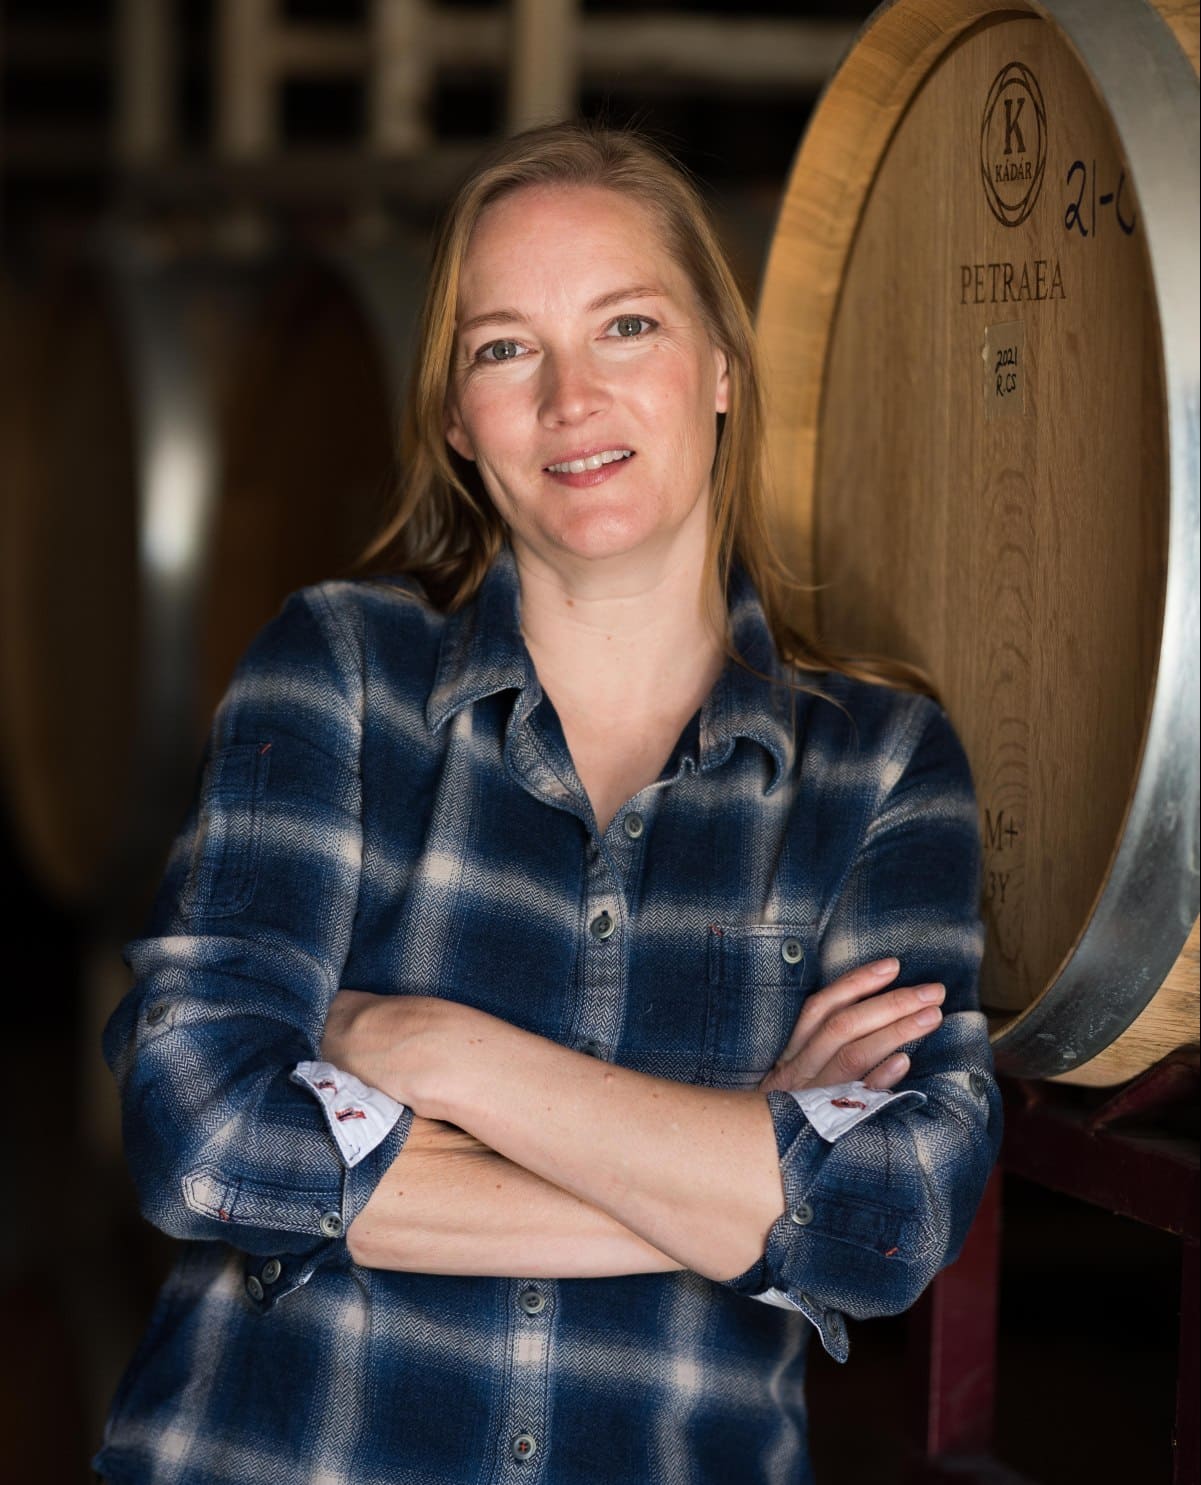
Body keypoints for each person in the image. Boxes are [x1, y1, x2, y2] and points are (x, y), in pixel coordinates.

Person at [94, 121, 1000, 1485]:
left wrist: (440, 1051)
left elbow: (889, 1218)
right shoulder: (339, 672)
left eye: (625, 325)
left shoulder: (876, 765)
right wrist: (736, 1176)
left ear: (721, 371)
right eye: (505, 346)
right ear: (457, 416)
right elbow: (204, 1136)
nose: (570, 399)